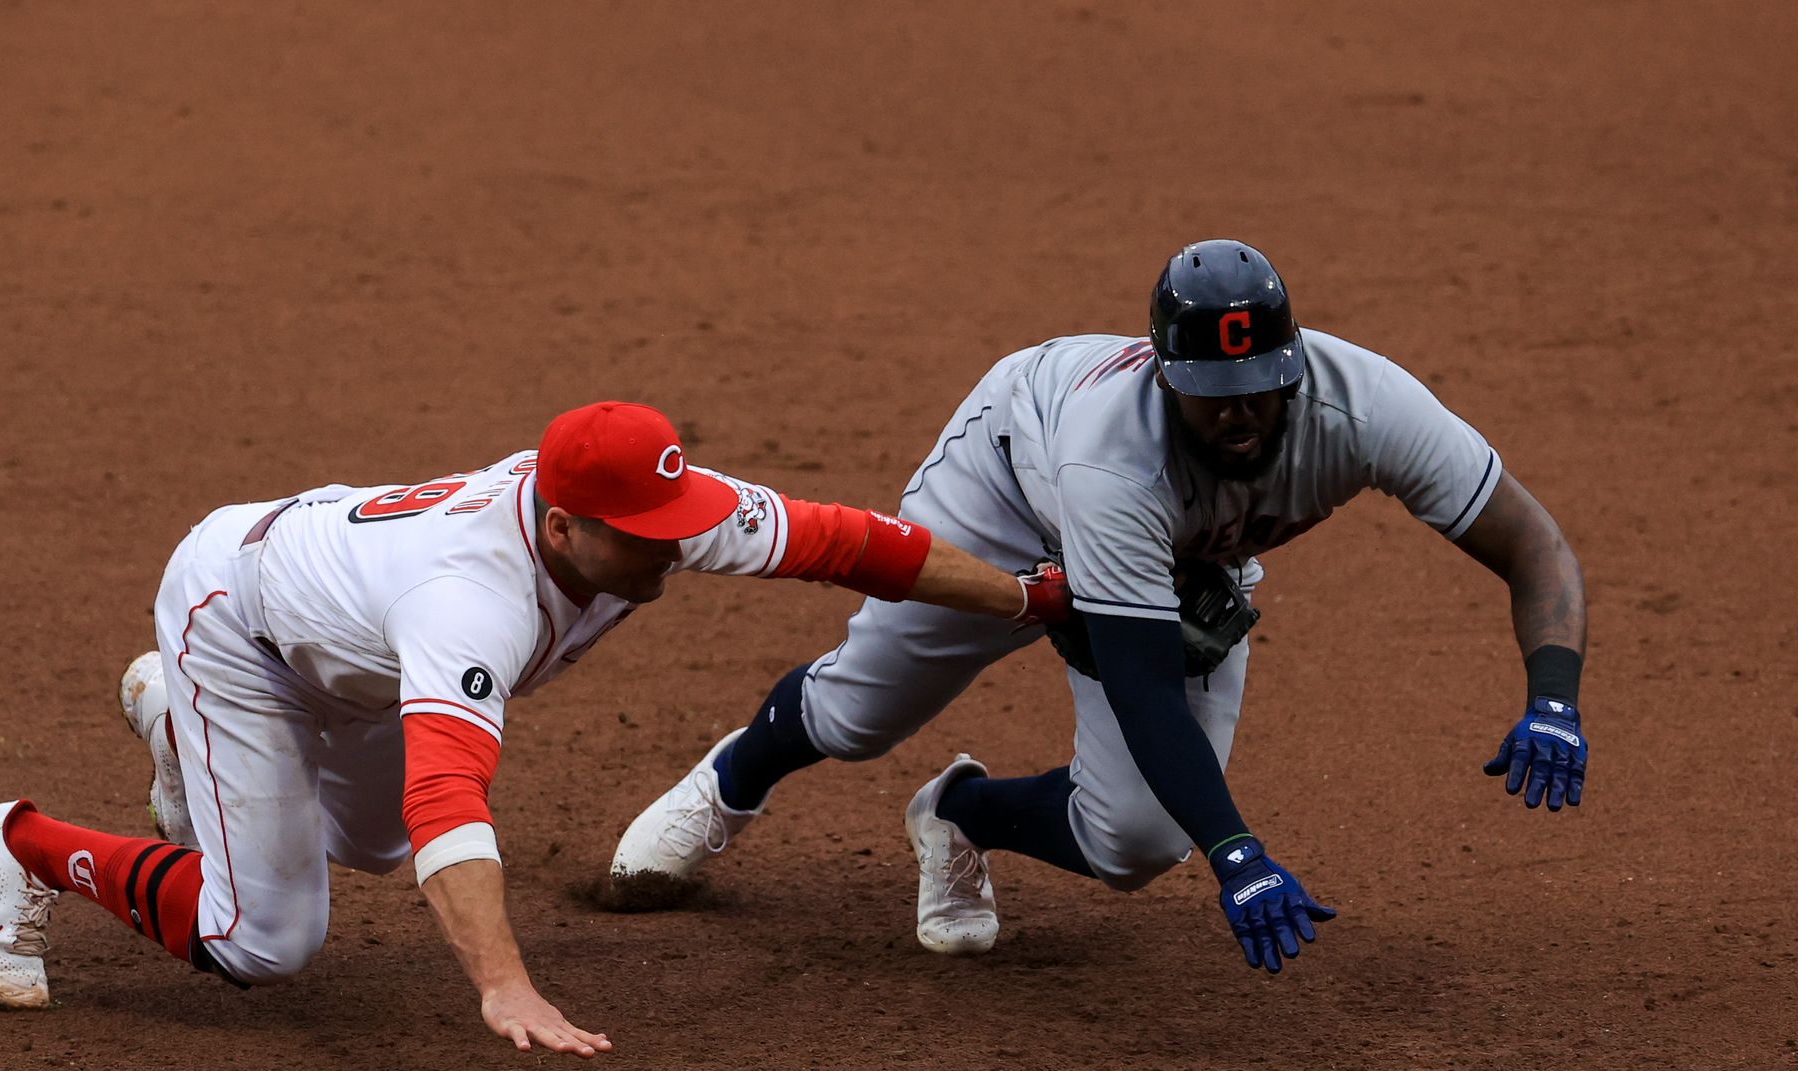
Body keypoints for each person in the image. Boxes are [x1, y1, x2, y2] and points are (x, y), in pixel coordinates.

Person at [0, 401, 1070, 1055]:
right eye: (643, 538)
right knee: (267, 939)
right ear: (563, 521)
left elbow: (857, 544)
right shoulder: (469, 602)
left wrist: (1028, 597)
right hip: (238, 625)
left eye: (677, 522)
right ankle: (15, 844)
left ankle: (177, 732)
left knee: (377, 842)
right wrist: (502, 981)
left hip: (344, 632)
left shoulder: (652, 511)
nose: (672, 549)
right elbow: (449, 796)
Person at [612, 240, 1589, 973]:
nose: (1242, 413)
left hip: (1174, 554)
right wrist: (1241, 854)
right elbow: (1139, 680)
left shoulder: (1368, 406)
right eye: (1215, 394)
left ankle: (960, 812)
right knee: (863, 713)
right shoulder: (1111, 453)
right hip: (1007, 489)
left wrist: (1552, 695)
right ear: (1165, 372)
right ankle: (728, 783)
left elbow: (1532, 542)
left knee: (1139, 843)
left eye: (1261, 387)